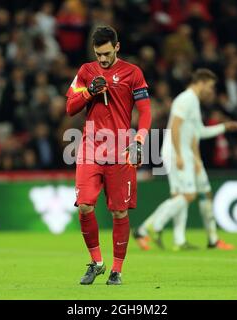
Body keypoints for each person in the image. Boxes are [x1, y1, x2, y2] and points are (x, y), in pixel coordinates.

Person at [65, 26, 151, 285]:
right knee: (85, 207)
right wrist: (89, 91)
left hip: (120, 150)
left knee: (119, 213)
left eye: (106, 53)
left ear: (117, 47)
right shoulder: (85, 72)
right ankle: (96, 262)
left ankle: (116, 269)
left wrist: (139, 141)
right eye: (97, 54)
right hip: (90, 149)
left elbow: (146, 112)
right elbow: (70, 107)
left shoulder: (132, 73)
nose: (102, 59)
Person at [133, 69, 237, 251]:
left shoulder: (193, 101)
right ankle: (148, 227)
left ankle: (180, 240)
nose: (211, 91)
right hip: (177, 152)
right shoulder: (187, 99)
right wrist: (180, 155)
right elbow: (175, 126)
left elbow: (198, 132)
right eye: (211, 87)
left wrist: (223, 127)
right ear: (202, 82)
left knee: (184, 195)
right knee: (188, 195)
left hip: (184, 152)